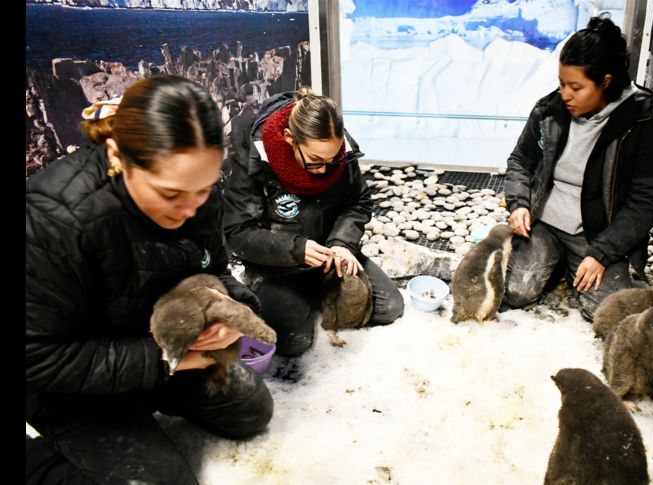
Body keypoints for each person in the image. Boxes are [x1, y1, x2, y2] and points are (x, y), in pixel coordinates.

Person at [26, 75, 274, 484]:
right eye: (170, 194)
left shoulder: (197, 193)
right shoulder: (54, 221)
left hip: (165, 342)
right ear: (117, 154)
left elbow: (214, 269)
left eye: (204, 189)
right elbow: (38, 358)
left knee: (252, 411)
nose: (191, 209)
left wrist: (232, 310)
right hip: (76, 383)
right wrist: (163, 361)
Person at [503, 16, 653, 321]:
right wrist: (519, 204)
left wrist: (603, 253)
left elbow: (647, 200)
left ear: (606, 81)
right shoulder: (550, 111)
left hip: (597, 232)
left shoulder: (645, 124)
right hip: (544, 221)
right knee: (516, 291)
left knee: (607, 313)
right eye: (562, 83)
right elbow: (520, 161)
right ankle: (552, 258)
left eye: (576, 87)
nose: (565, 94)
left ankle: (571, 260)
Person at [222, 87, 404, 357]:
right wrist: (296, 249)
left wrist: (343, 243)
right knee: (291, 342)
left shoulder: (338, 151)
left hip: (331, 254)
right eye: (315, 161)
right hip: (280, 263)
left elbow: (359, 201)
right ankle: (299, 296)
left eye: (332, 160)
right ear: (288, 138)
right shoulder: (253, 157)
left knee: (390, 308)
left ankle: (315, 293)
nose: (323, 170)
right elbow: (238, 232)